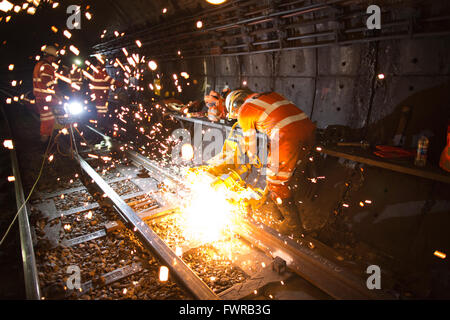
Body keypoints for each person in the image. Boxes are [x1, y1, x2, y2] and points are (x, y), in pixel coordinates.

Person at [225, 89, 316, 235]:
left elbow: (251, 146)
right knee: (288, 177)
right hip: (309, 130)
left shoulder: (244, 111)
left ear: (235, 106)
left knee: (275, 182)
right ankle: (280, 215)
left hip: (287, 136)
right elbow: (277, 118)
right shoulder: (267, 95)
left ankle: (294, 228)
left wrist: (253, 160)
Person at [32, 45, 60, 143]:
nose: (54, 60)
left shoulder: (38, 65)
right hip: (46, 97)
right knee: (50, 118)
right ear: (50, 56)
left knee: (46, 118)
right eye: (54, 57)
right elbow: (47, 81)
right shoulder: (47, 66)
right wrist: (57, 94)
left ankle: (47, 138)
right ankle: (47, 141)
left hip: (40, 97)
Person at [89, 56, 122, 124]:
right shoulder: (99, 71)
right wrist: (119, 84)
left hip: (99, 94)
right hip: (100, 94)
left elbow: (104, 81)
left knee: (100, 109)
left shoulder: (96, 70)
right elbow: (107, 79)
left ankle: (99, 122)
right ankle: (100, 124)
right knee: (101, 109)